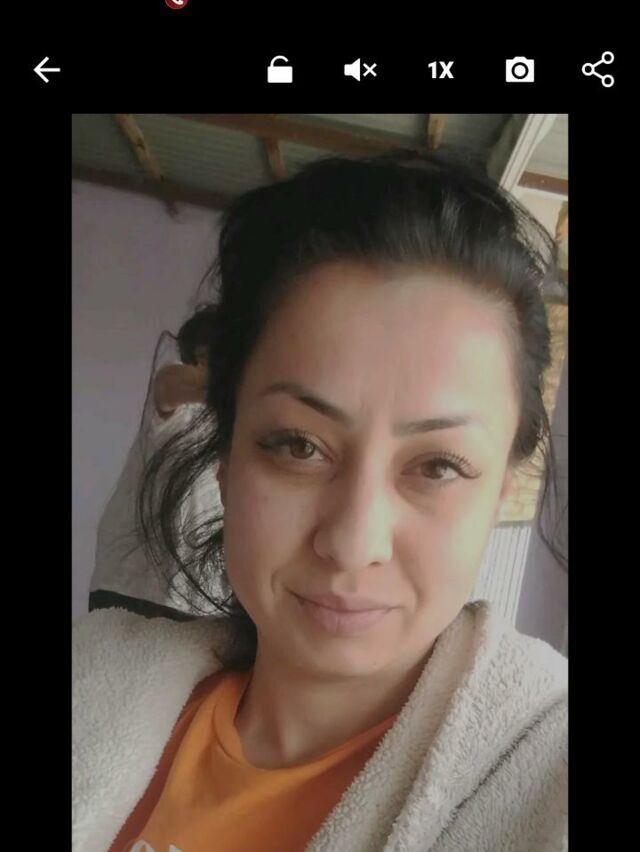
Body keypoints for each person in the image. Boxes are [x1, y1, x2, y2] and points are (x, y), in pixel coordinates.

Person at [73, 151, 568, 852]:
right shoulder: (90, 682)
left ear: (503, 488)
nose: (353, 542)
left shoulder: (549, 776)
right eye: (299, 446)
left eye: (438, 465)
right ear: (227, 455)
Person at [88, 309, 225, 619]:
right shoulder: (174, 395)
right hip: (131, 587)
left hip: (204, 598)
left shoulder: (241, 424)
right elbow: (173, 383)